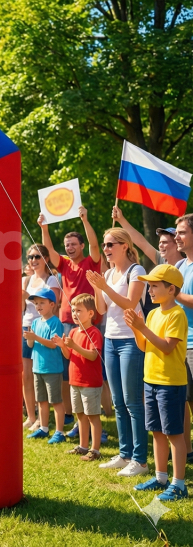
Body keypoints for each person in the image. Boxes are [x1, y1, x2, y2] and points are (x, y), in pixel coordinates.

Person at [86, 228, 148, 477]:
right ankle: (124, 455)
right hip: (110, 340)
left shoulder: (137, 271)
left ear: (125, 246)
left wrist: (105, 287)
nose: (106, 249)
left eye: (110, 244)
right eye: (104, 244)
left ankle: (140, 460)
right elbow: (101, 309)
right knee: (118, 402)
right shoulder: (109, 273)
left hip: (131, 341)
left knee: (133, 402)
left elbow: (129, 304)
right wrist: (96, 287)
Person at [126, 264, 189, 500]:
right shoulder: (152, 314)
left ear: (171, 289)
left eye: (154, 286)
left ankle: (179, 484)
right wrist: (136, 329)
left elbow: (167, 346)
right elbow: (144, 346)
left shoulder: (177, 315)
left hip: (170, 383)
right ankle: (161, 478)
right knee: (157, 431)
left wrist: (142, 327)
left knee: (174, 434)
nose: (149, 290)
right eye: (149, 286)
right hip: (150, 380)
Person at [39, 206, 101, 430]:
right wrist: (44, 228)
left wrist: (85, 220)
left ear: (81, 246)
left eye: (74, 244)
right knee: (69, 370)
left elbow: (95, 246)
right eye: (67, 245)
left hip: (90, 322)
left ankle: (94, 415)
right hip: (67, 321)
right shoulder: (64, 264)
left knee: (89, 367)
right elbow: (49, 250)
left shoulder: (91, 262)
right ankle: (74, 416)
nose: (70, 247)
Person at [53, 294, 104, 461]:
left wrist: (74, 345)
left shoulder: (94, 333)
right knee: (80, 415)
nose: (74, 313)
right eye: (73, 310)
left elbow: (92, 356)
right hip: (75, 381)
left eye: (79, 310)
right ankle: (83, 446)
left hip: (90, 383)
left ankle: (95, 450)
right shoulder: (73, 331)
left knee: (92, 416)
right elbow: (69, 356)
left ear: (90, 313)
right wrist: (63, 346)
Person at [22, 244, 61, 430]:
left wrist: (28, 295)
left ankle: (43, 418)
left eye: (37, 256)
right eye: (30, 257)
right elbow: (22, 308)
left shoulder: (52, 279)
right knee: (26, 375)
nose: (33, 260)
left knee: (42, 374)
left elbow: (55, 303)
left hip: (45, 329)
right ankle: (31, 417)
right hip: (27, 327)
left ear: (46, 258)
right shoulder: (26, 280)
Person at [24, 288, 66, 444]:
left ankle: (59, 432)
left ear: (52, 304)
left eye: (42, 303)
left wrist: (35, 337)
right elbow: (31, 345)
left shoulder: (55, 322)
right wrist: (29, 338)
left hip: (52, 369)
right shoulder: (35, 322)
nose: (38, 306)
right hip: (37, 368)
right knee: (41, 400)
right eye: (36, 303)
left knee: (56, 401)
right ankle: (44, 428)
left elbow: (53, 345)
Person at [172, 213, 193, 462]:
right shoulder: (179, 266)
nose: (176, 236)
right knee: (183, 402)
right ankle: (187, 452)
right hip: (178, 343)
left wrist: (173, 293)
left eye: (182, 232)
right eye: (176, 233)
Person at [111, 206, 184, 266]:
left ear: (177, 244)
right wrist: (121, 220)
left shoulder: (186, 265)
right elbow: (141, 242)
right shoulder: (161, 261)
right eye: (160, 242)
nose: (160, 245)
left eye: (165, 242)